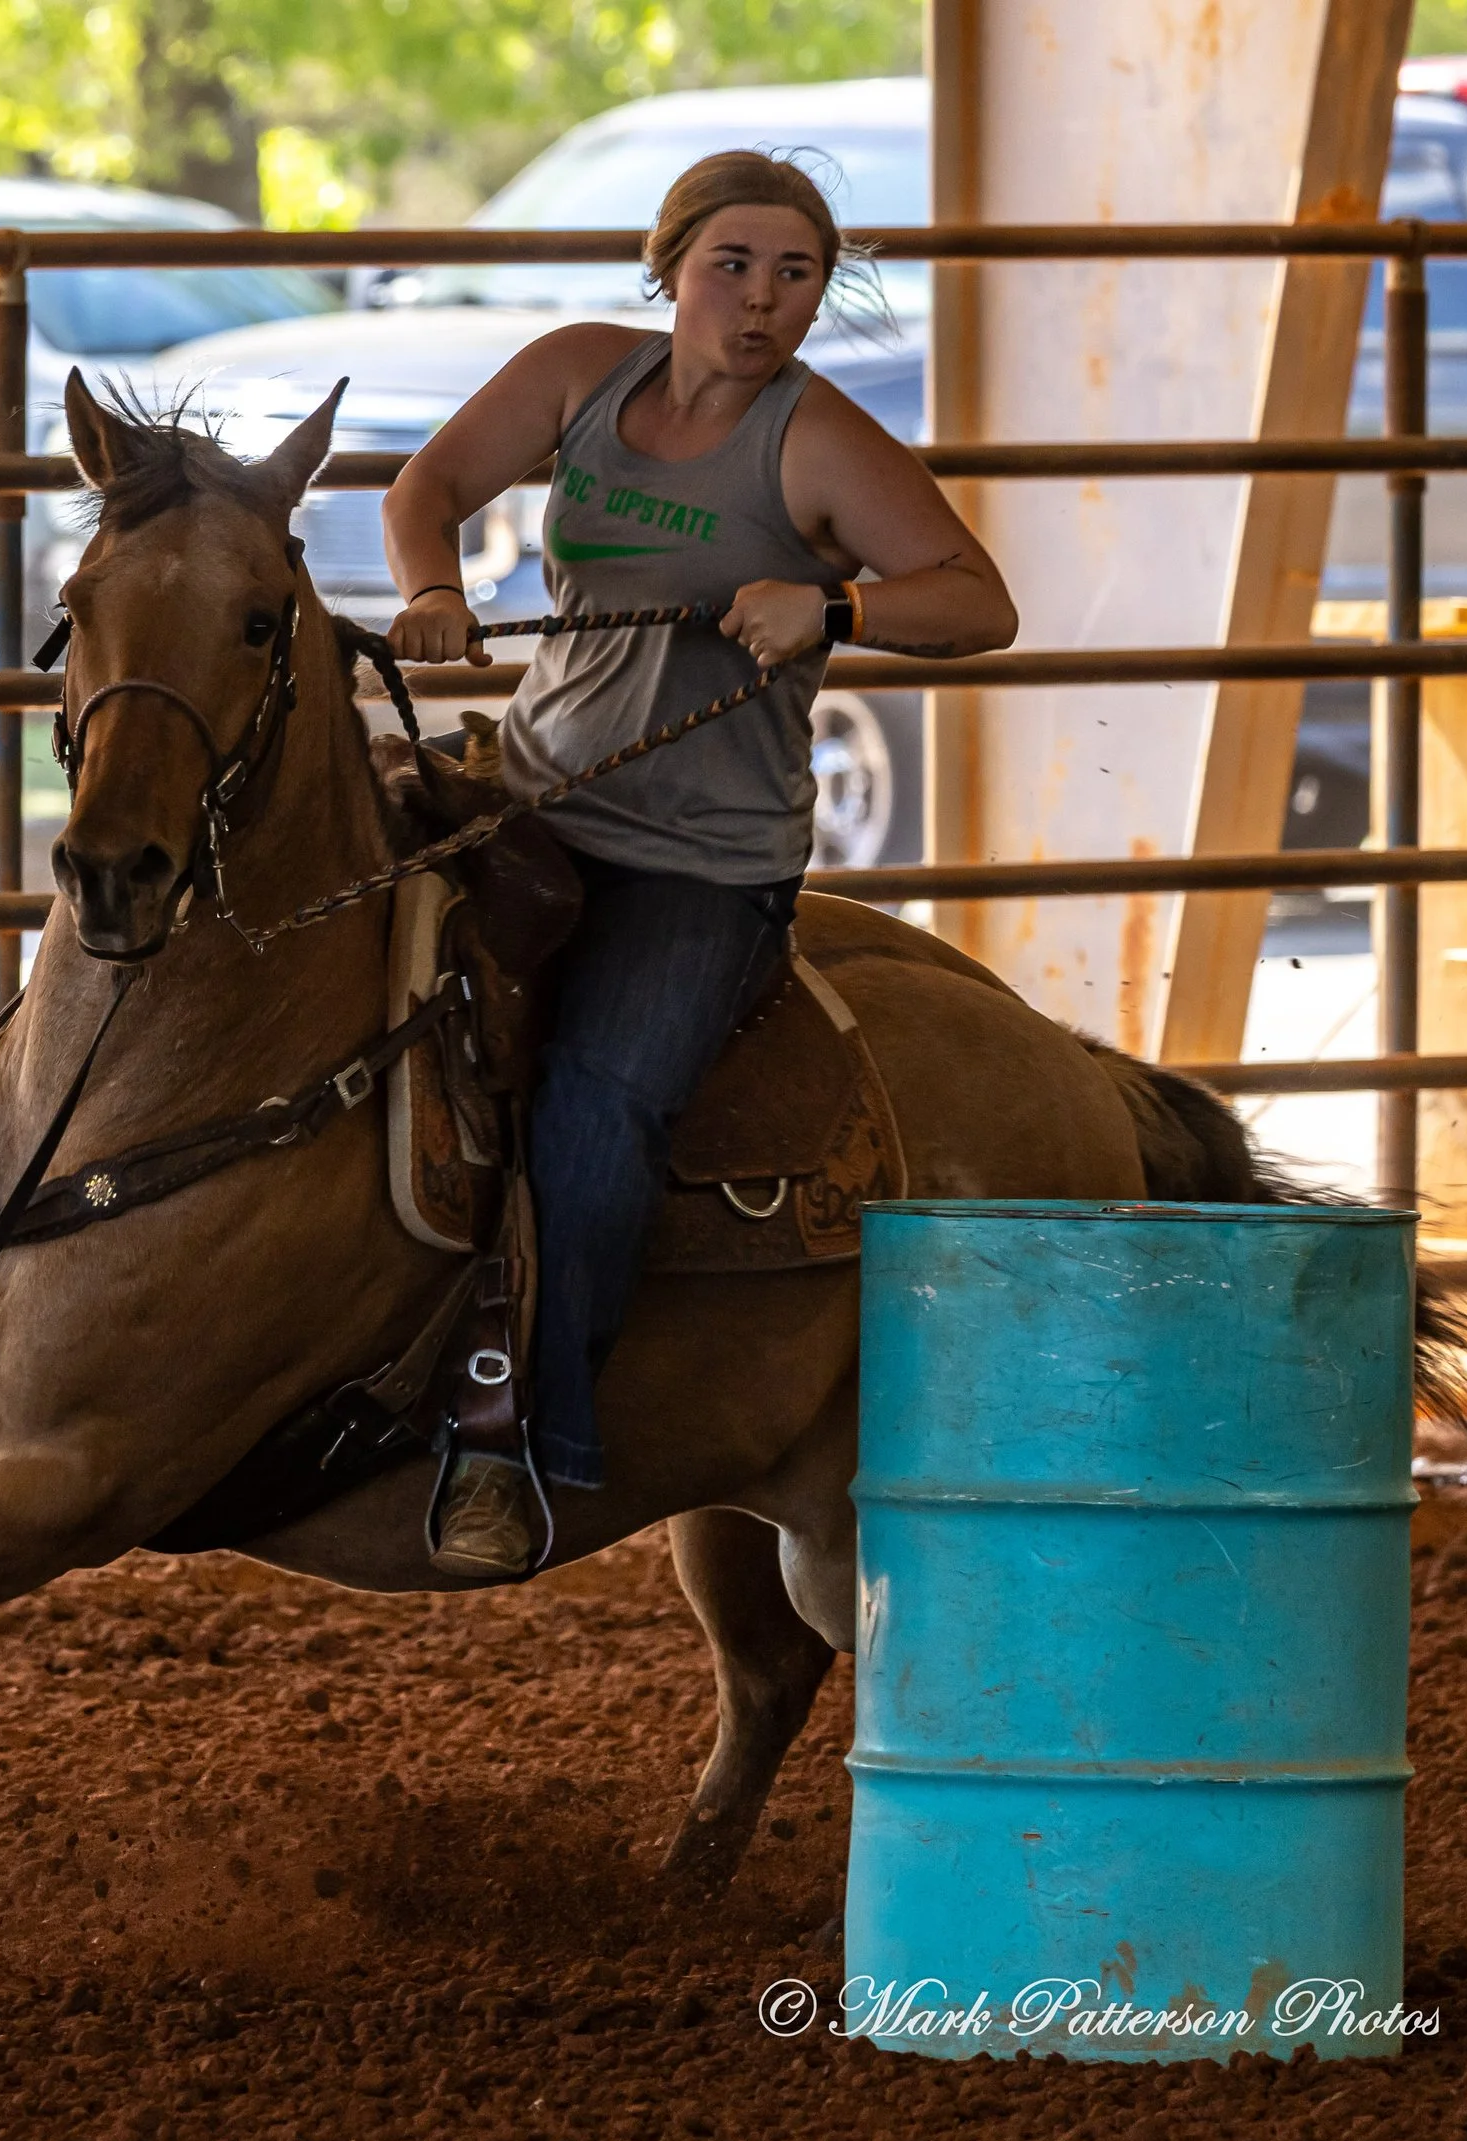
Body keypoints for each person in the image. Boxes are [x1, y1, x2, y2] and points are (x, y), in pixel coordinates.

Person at [382, 152, 1018, 1578]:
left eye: (796, 275)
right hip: (536, 800)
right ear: (669, 265)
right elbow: (427, 486)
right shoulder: (577, 377)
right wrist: (431, 589)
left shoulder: (817, 439)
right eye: (734, 264)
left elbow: (982, 601)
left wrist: (838, 599)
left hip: (704, 861)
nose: (763, 301)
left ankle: (528, 1440)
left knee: (601, 1108)